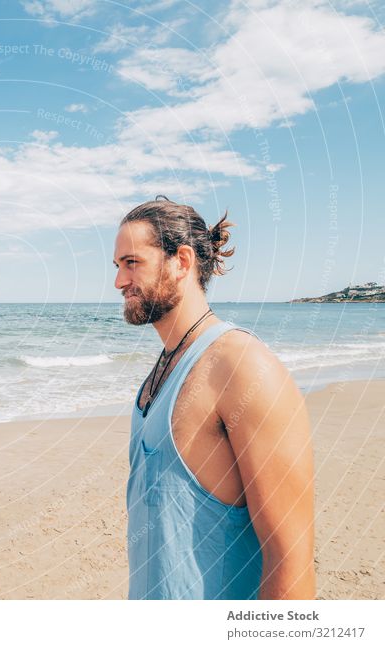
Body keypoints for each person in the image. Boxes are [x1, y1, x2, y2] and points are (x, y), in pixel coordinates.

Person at [114, 197, 315, 599]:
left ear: (182, 261)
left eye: (132, 263)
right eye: (118, 266)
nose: (119, 281)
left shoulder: (241, 367)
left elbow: (291, 559)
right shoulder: (164, 367)